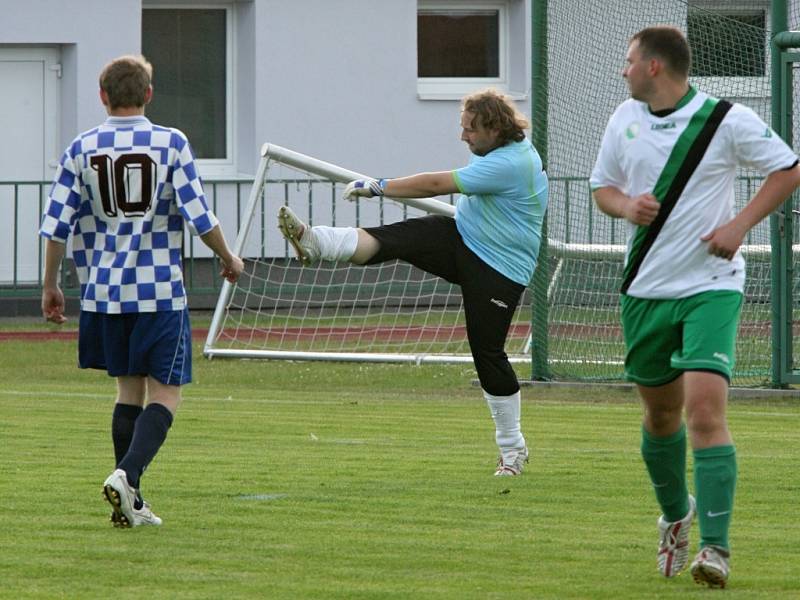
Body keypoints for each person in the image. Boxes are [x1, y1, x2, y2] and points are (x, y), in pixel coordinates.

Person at [590, 26, 800, 587]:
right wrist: (625, 206)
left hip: (712, 284)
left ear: (655, 66)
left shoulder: (726, 119)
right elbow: (602, 189)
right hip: (645, 288)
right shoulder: (622, 119)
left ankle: (716, 549)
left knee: (705, 412)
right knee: (660, 419)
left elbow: (788, 168)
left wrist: (738, 225)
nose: (624, 70)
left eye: (628, 61)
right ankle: (676, 516)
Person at [277, 89, 548, 477]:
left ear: (494, 127)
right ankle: (314, 241)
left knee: (487, 353)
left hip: (500, 269)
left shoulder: (511, 163)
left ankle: (513, 449)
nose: (463, 136)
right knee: (395, 239)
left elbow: (436, 184)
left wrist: (379, 185)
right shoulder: (497, 152)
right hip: (465, 238)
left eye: (470, 129)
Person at [39, 55, 244, 528]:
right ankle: (127, 476)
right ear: (148, 93)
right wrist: (227, 257)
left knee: (127, 391)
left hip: (104, 293)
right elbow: (198, 215)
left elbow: (55, 227)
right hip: (158, 293)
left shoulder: (81, 147)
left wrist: (51, 285)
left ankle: (130, 503)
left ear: (103, 95)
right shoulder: (171, 142)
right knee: (166, 394)